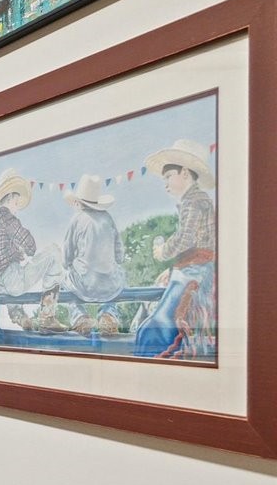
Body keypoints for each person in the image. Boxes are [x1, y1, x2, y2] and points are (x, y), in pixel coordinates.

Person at [134, 138, 218, 360]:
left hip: (194, 273)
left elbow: (185, 239)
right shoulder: (201, 200)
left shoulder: (193, 202)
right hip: (197, 269)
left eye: (169, 176)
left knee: (154, 328)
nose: (166, 183)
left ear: (184, 173)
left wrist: (163, 251)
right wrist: (173, 268)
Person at [59, 173, 124, 303]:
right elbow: (119, 254)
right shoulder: (107, 217)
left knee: (62, 281)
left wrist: (69, 265)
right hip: (109, 285)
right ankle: (109, 312)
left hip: (85, 284)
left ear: (78, 203)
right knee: (120, 276)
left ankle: (79, 315)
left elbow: (66, 257)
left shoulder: (76, 220)